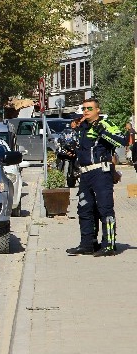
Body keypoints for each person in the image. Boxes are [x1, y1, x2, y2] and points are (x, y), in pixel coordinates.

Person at [66, 98, 126, 257]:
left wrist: (102, 131)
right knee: (85, 209)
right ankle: (87, 244)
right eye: (84, 108)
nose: (86, 111)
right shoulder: (82, 127)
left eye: (89, 108)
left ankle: (109, 245)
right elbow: (80, 148)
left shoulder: (106, 124)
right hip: (85, 174)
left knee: (104, 209)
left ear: (97, 110)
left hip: (101, 173)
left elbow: (122, 141)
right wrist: (70, 151)